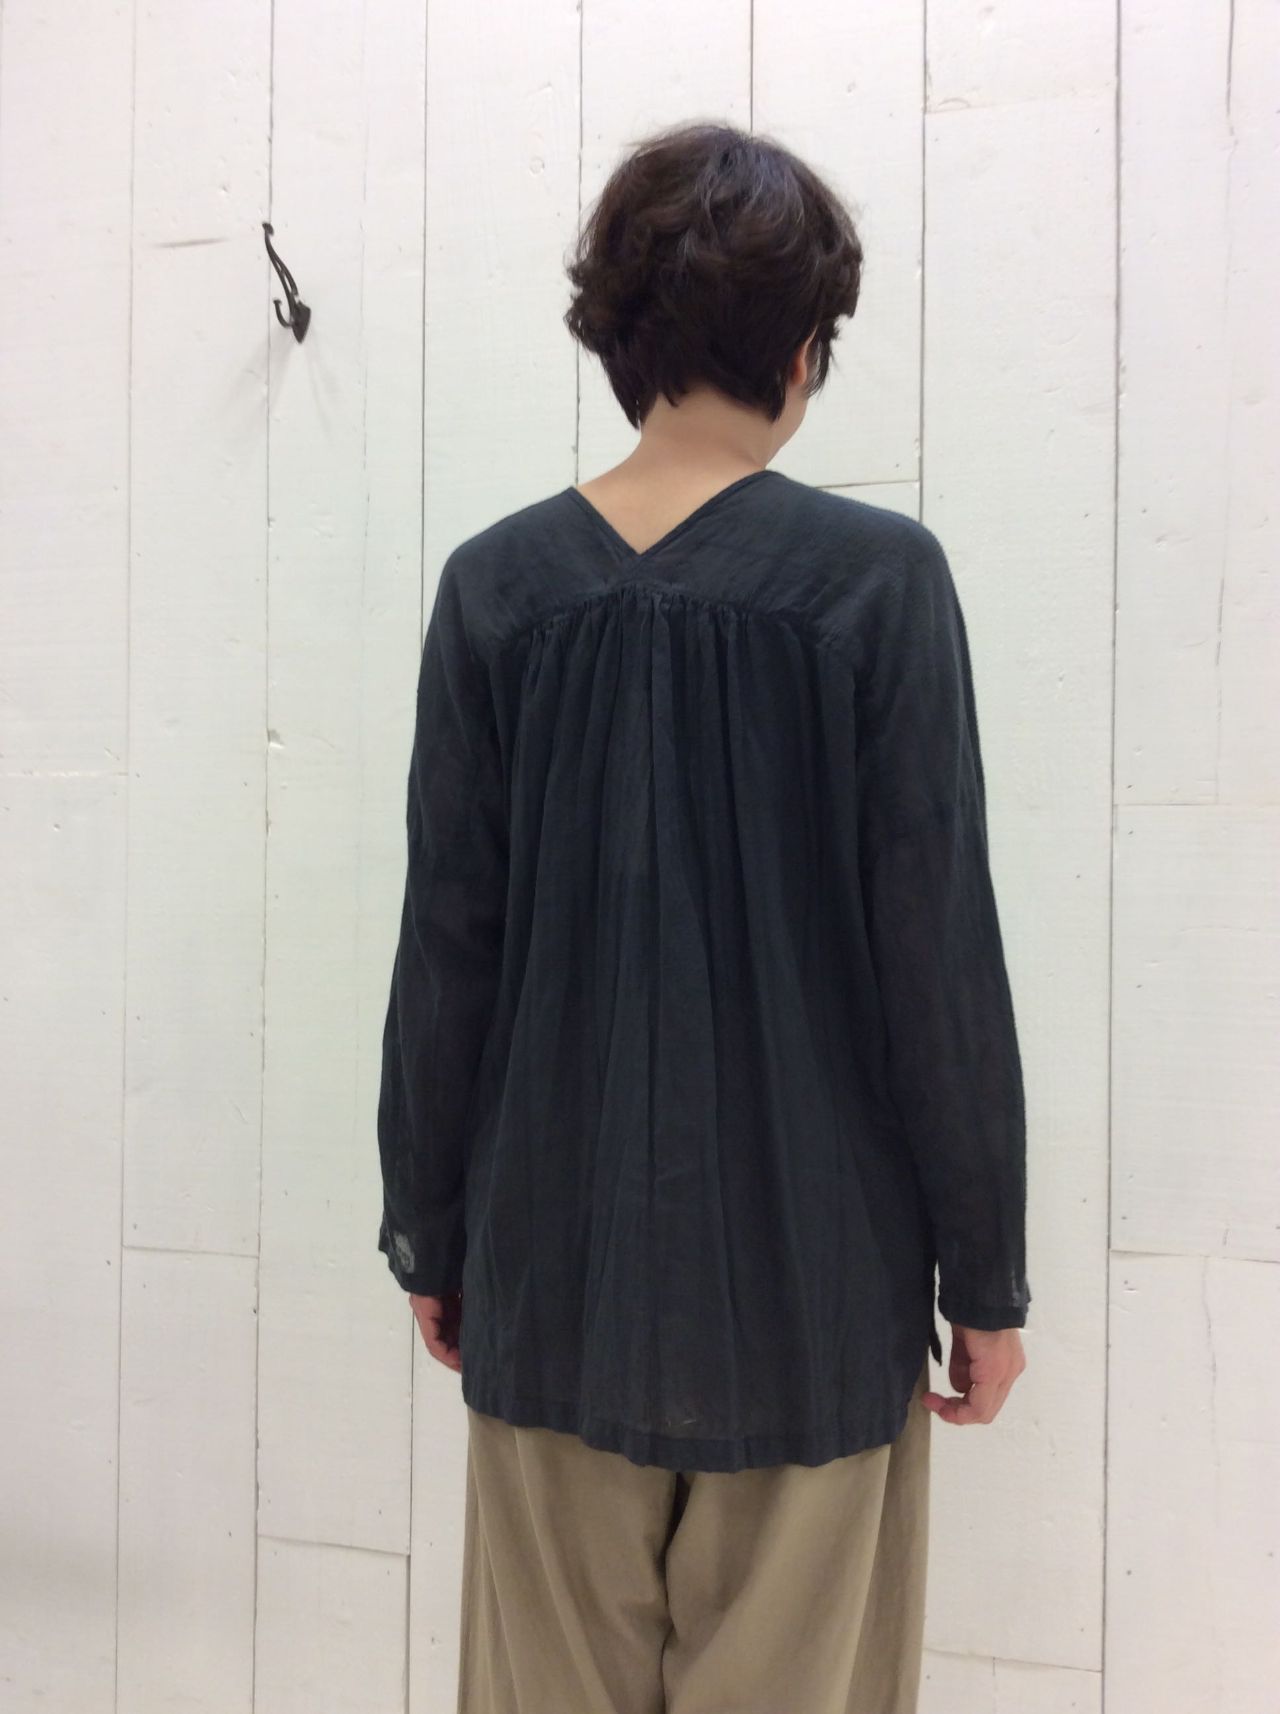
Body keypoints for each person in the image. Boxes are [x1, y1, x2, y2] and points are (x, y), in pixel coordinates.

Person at [374, 118, 1030, 1714]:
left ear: (617, 335)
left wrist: (431, 1229)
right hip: (819, 1293)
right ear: (804, 349)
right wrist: (986, 1281)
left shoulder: (496, 590)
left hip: (551, 1274)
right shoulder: (880, 585)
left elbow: (448, 942)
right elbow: (936, 953)